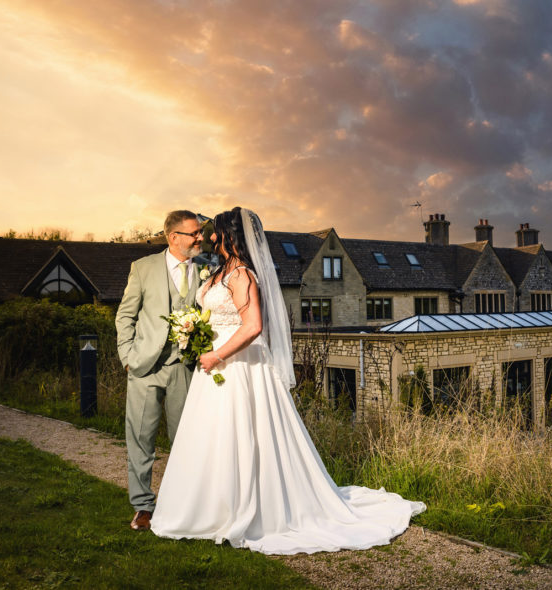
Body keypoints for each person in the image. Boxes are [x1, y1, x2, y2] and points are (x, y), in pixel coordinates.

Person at [150, 207, 425, 554]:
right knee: (213, 434)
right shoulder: (220, 273)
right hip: (215, 367)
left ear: (228, 236)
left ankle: (250, 507)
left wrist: (216, 354)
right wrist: (196, 333)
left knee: (247, 433)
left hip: (241, 368)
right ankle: (209, 505)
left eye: (214, 232)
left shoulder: (243, 276)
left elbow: (252, 327)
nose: (208, 237)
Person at [115, 210, 205, 531]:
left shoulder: (207, 271)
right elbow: (125, 316)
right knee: (141, 438)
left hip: (186, 367)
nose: (199, 238)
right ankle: (143, 507)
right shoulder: (143, 268)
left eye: (200, 233)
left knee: (185, 439)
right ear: (174, 237)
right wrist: (127, 355)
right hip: (144, 367)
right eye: (193, 233)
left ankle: (181, 503)